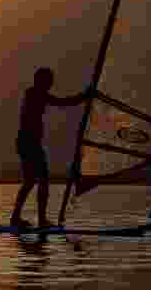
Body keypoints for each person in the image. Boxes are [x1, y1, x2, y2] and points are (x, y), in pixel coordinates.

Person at [10, 67, 92, 229]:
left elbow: (62, 102)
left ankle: (19, 218)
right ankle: (37, 220)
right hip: (28, 144)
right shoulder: (33, 93)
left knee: (31, 181)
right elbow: (63, 102)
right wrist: (84, 95)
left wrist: (83, 96)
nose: (51, 83)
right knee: (40, 180)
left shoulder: (38, 94)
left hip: (29, 144)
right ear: (41, 81)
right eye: (49, 80)